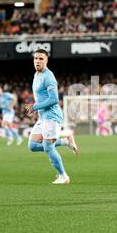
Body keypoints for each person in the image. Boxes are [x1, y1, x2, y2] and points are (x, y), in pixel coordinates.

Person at [25, 49, 80, 185]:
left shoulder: (49, 77)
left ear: (46, 61)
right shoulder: (37, 74)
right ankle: (66, 141)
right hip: (43, 117)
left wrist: (35, 107)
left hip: (51, 116)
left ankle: (63, 176)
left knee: (48, 147)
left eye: (41, 59)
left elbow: (54, 99)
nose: (37, 61)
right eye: (36, 58)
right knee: (32, 145)